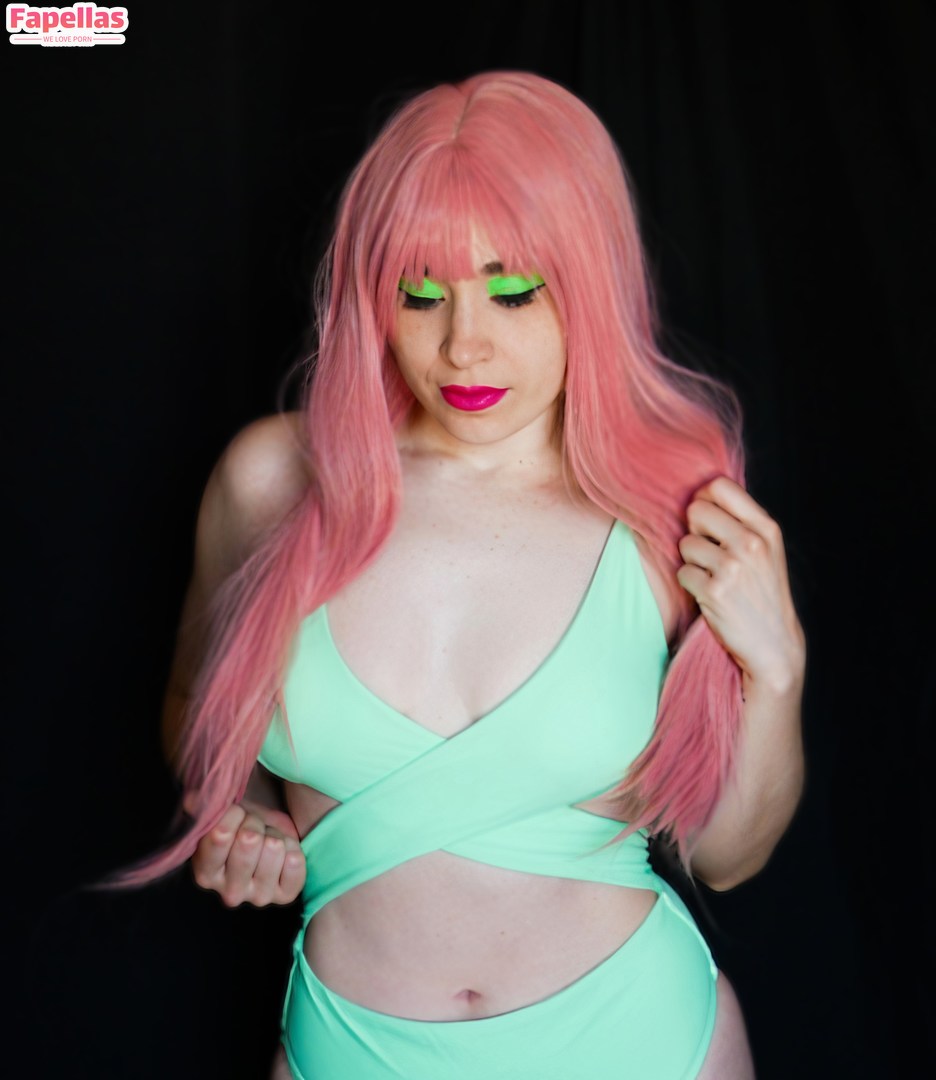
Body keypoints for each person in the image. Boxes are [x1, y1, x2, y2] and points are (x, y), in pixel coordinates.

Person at [146, 71, 805, 1079]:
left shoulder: (669, 511)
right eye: (420, 295)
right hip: (355, 1051)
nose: (463, 345)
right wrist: (238, 810)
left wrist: (778, 672)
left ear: (590, 282)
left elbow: (730, 857)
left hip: (641, 1042)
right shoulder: (270, 483)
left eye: (513, 291)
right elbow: (195, 712)